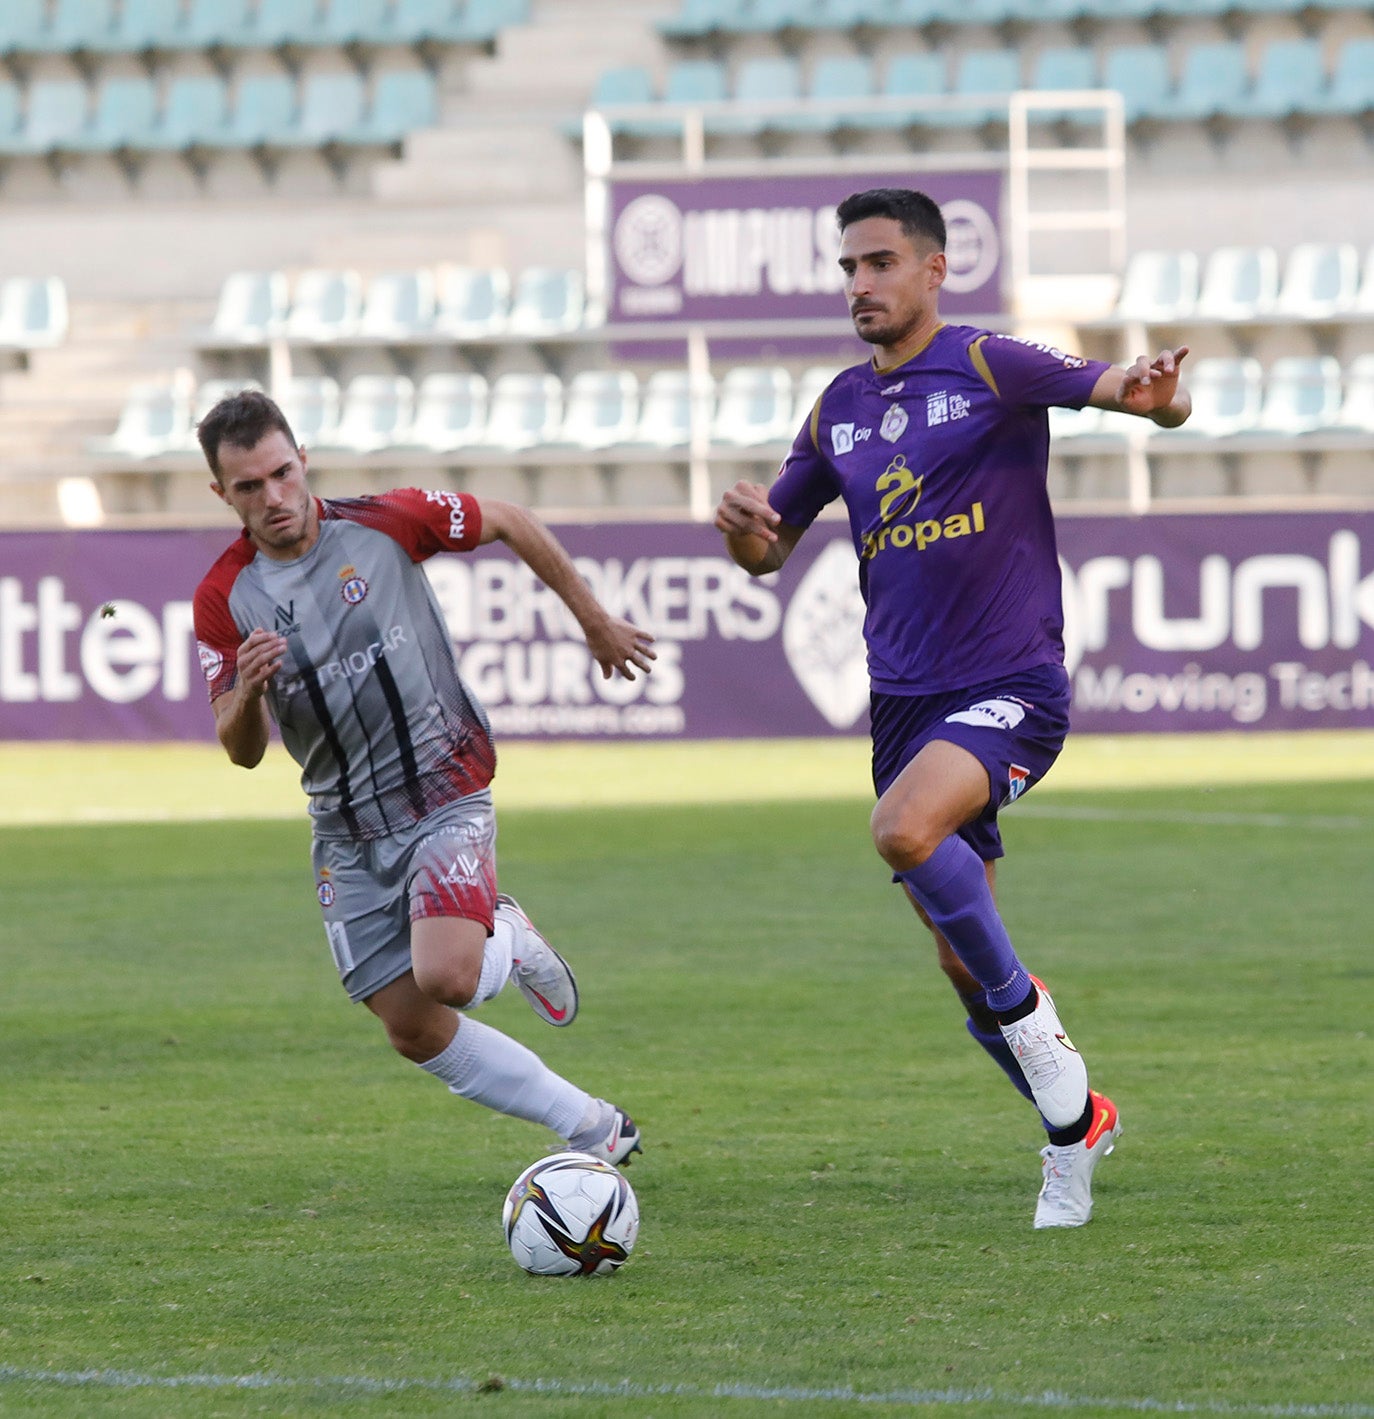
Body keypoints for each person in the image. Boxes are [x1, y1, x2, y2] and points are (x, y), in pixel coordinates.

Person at [715, 188, 1191, 1229]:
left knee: (899, 829)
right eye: (849, 268)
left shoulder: (988, 365)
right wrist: (740, 525)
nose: (860, 285)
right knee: (958, 963)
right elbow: (768, 554)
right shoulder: (837, 404)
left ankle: (1055, 1077)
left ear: (934, 270)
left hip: (1010, 685)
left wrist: (1156, 393)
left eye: (880, 263)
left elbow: (1142, 396)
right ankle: (1079, 1125)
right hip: (902, 706)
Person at [192, 390, 654, 1167]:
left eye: (281, 473)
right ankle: (594, 1126)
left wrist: (594, 620)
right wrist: (247, 691)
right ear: (221, 494)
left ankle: (506, 933)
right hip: (343, 826)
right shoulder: (223, 599)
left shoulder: (384, 523)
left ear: (303, 460)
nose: (273, 498)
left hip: (443, 785)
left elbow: (506, 517)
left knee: (447, 974)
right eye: (248, 487)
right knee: (411, 1026)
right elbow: (238, 750)